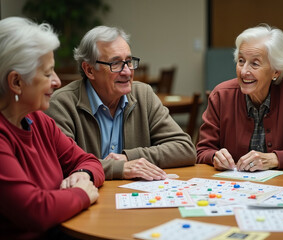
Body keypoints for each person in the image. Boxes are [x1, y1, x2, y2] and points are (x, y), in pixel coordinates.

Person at [45, 25, 196, 180]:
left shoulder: (144, 95)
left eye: (129, 62)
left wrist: (128, 157)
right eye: (115, 64)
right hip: (92, 196)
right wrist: (120, 168)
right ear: (89, 70)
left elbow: (184, 148)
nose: (127, 72)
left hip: (135, 196)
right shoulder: (62, 103)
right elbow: (62, 163)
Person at [0, 17, 105, 240]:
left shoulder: (39, 120)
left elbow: (90, 161)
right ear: (16, 82)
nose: (57, 81)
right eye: (48, 74)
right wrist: (81, 194)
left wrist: (82, 175)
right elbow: (34, 210)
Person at [196, 24, 283, 171]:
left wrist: (275, 159)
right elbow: (202, 151)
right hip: (234, 188)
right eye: (241, 61)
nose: (244, 71)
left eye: (255, 63)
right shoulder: (221, 95)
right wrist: (214, 156)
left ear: (275, 71)